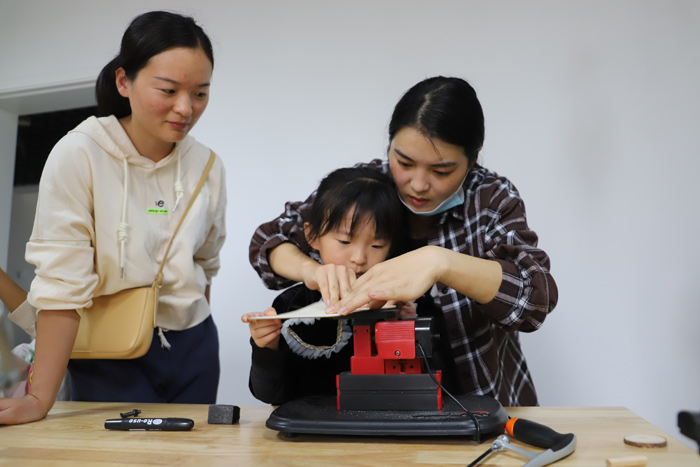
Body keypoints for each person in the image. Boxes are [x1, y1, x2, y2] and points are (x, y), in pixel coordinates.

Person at [249, 76, 558, 407]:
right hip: (379, 410)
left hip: (481, 401)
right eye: (404, 162)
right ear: (390, 145)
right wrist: (312, 271)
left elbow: (533, 299)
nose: (418, 185)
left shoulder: (490, 199)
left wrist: (440, 262)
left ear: (474, 158)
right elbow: (270, 239)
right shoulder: (368, 185)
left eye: (441, 171)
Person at [0, 10, 226, 425]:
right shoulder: (80, 154)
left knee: (191, 454)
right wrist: (38, 398)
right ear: (124, 81)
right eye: (169, 89)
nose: (185, 108)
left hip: (194, 343)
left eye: (200, 93)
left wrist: (195, 323)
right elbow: (60, 285)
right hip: (108, 347)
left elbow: (205, 264)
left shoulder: (208, 165)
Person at [242, 167, 413, 404]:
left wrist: (407, 326)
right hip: (306, 433)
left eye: (377, 245)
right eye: (344, 241)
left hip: (381, 432)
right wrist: (267, 346)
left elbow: (428, 388)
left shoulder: (402, 301)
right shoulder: (292, 304)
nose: (359, 258)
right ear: (312, 236)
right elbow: (269, 394)